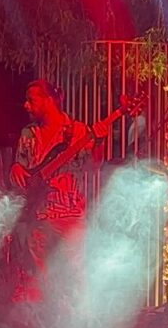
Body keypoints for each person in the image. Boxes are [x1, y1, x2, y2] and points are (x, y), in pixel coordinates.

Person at [9, 79, 108, 299]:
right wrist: (16, 168)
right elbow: (23, 174)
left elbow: (93, 166)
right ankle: (41, 317)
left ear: (49, 100)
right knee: (38, 280)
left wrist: (99, 143)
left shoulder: (78, 131)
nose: (26, 105)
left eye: (31, 100)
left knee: (74, 278)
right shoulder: (29, 134)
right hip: (38, 216)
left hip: (70, 217)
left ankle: (75, 317)